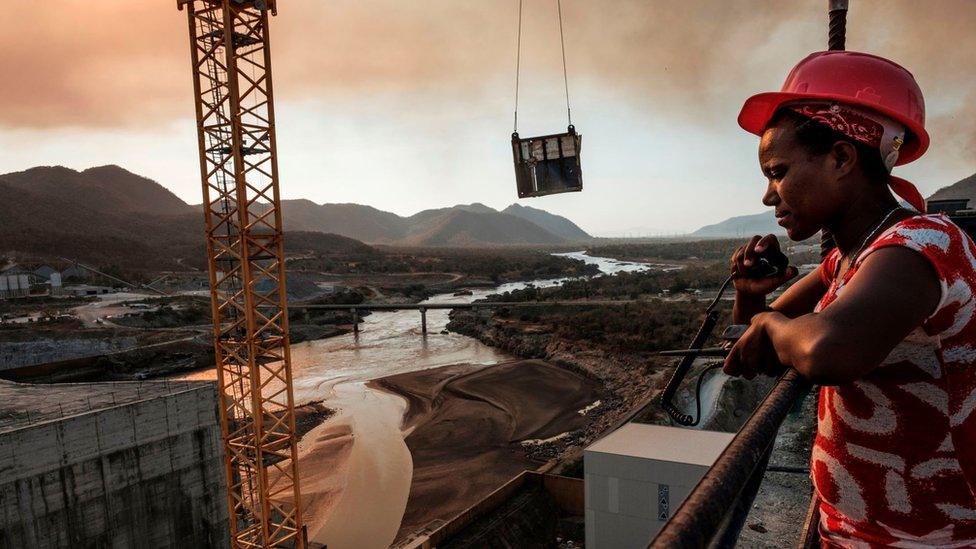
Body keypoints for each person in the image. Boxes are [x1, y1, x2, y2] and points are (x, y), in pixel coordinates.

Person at [724, 51, 976, 547]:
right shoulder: (847, 260)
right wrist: (752, 299)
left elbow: (823, 350)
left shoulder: (922, 245)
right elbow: (761, 350)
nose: (769, 196)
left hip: (930, 538)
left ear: (841, 158)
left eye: (777, 171)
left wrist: (771, 326)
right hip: (853, 530)